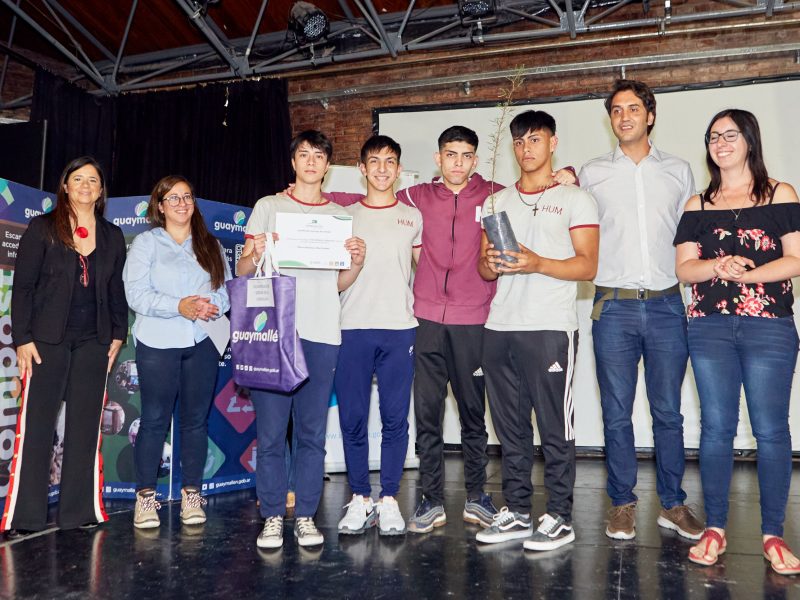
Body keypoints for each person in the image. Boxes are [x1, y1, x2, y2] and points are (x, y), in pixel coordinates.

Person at [674, 109, 800, 575]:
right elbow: (684, 269)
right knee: (716, 428)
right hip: (708, 327)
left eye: (730, 135)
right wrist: (716, 266)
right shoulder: (697, 204)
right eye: (713, 136)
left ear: (750, 140)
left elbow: (796, 259)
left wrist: (746, 275)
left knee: (771, 430)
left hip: (769, 326)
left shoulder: (780, 193)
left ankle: (773, 535)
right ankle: (715, 529)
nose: (720, 143)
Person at [578, 79, 703, 541]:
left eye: (633, 108)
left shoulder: (679, 171)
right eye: (616, 110)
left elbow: (692, 236)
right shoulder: (591, 173)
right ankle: (622, 503)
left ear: (650, 116)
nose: (624, 116)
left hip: (669, 305)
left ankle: (672, 503)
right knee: (616, 413)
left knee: (668, 412)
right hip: (613, 307)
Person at [476, 110, 598, 551]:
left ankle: (560, 516)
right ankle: (518, 511)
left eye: (535, 139)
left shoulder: (575, 199)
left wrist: (538, 263)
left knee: (554, 428)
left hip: (549, 328)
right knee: (510, 431)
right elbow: (484, 269)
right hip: (499, 327)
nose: (526, 148)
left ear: (553, 143)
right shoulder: (496, 202)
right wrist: (490, 264)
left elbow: (588, 266)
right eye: (519, 141)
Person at [237, 130, 365, 549]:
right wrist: (258, 252)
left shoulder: (339, 217)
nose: (311, 161)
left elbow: (338, 284)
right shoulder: (269, 207)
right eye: (304, 154)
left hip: (323, 332)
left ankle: (306, 516)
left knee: (311, 434)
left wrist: (357, 263)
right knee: (272, 434)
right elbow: (243, 271)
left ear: (328, 165)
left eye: (319, 155)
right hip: (275, 334)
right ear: (293, 162)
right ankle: (273, 516)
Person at [3, 156, 127, 534]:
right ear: (65, 186)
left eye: (93, 180)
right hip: (45, 343)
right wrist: (23, 339)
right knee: (38, 428)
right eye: (78, 179)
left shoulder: (112, 235)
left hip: (94, 341)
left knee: (84, 428)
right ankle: (26, 517)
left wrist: (118, 333)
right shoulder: (42, 228)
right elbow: (23, 288)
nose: (85, 185)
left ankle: (78, 512)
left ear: (101, 191)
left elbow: (115, 289)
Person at [123, 175, 231, 529]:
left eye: (187, 197)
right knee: (154, 420)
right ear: (160, 206)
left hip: (202, 341)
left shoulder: (210, 244)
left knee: (195, 421)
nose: (182, 204)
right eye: (173, 198)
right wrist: (179, 306)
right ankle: (145, 498)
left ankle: (192, 496)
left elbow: (226, 291)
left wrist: (210, 305)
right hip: (158, 342)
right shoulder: (146, 244)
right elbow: (136, 294)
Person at [334, 135, 422, 537]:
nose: (382, 169)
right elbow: (332, 276)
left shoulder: (413, 217)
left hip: (399, 328)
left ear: (399, 169)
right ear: (362, 168)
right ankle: (359, 497)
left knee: (394, 419)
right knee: (352, 418)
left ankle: (388, 499)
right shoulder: (343, 216)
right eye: (374, 161)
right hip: (351, 328)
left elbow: (426, 269)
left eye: (390, 161)